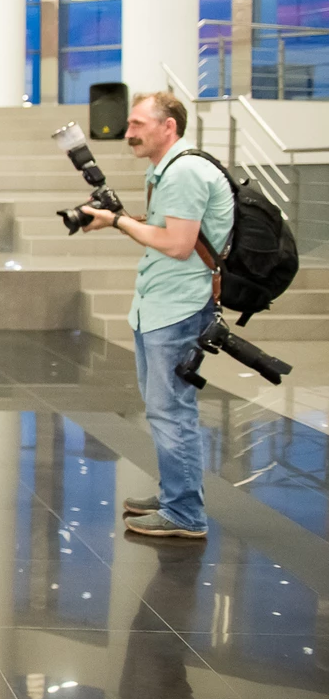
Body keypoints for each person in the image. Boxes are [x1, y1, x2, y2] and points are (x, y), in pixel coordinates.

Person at [79, 91, 233, 539]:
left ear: (169, 127)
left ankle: (184, 513)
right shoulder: (166, 169)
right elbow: (164, 233)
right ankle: (176, 495)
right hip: (162, 303)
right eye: (129, 124)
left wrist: (118, 222)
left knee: (171, 412)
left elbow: (178, 245)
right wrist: (115, 220)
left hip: (178, 307)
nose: (128, 132)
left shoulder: (184, 171)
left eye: (138, 125)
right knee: (165, 409)